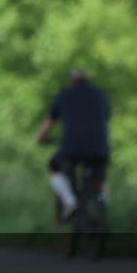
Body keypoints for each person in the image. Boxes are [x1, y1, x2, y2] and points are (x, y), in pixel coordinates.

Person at [36, 67, 111, 217]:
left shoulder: (64, 96)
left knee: (55, 168)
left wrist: (41, 138)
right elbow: (107, 120)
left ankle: (70, 201)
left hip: (72, 148)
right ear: (88, 80)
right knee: (99, 178)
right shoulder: (100, 95)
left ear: (71, 80)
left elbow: (49, 123)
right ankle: (102, 202)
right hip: (99, 147)